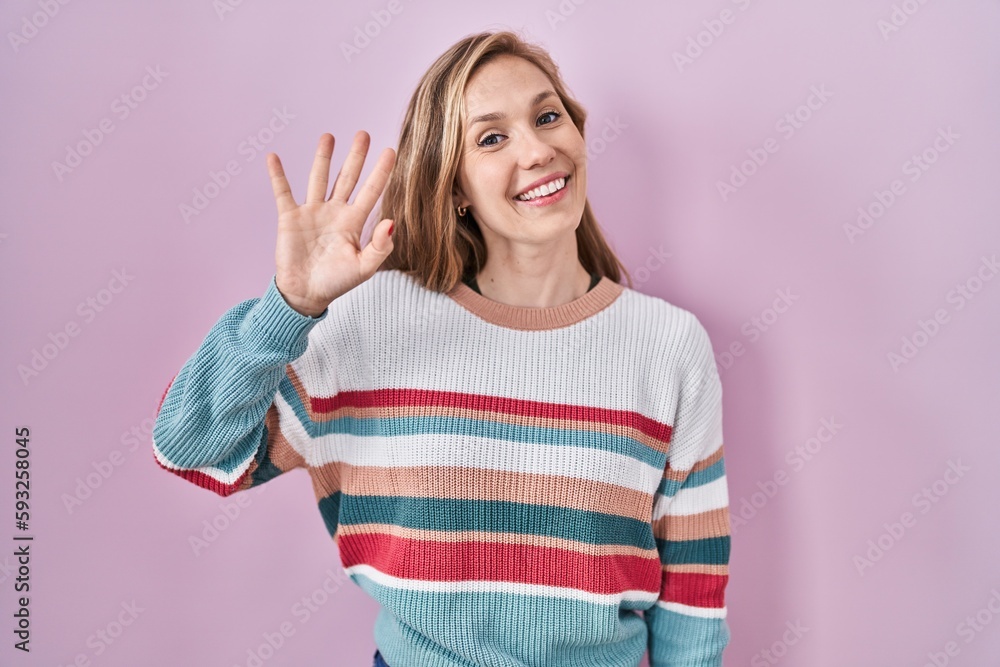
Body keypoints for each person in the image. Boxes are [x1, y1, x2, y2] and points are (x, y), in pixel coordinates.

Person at [151, 29, 732, 667]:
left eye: (547, 117)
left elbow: (692, 594)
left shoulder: (670, 346)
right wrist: (288, 306)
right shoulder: (370, 320)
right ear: (454, 188)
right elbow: (191, 448)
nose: (538, 150)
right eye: (491, 138)